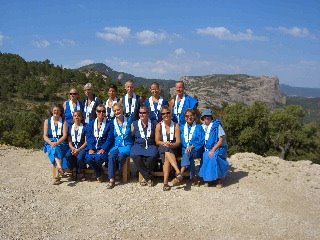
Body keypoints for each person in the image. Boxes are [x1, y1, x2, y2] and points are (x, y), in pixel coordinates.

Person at [198, 109, 228, 188]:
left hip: (219, 148)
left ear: (211, 118)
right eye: (205, 117)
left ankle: (219, 180)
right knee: (205, 155)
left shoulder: (217, 126)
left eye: (208, 117)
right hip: (208, 149)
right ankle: (208, 179)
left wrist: (213, 150)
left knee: (214, 156)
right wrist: (203, 121)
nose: (206, 118)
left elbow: (221, 140)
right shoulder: (204, 127)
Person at [155, 105, 182, 191]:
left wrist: (172, 145)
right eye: (163, 114)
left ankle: (165, 183)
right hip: (162, 146)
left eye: (167, 113)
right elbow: (157, 141)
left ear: (171, 114)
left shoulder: (176, 125)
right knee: (166, 149)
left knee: (167, 155)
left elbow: (178, 141)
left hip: (173, 148)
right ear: (161, 115)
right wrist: (165, 143)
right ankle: (177, 171)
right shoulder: (159, 125)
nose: (166, 115)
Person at [106, 103, 133, 189]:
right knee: (111, 156)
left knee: (121, 157)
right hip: (116, 146)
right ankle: (111, 179)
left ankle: (118, 171)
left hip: (126, 145)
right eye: (115, 111)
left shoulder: (129, 120)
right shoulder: (112, 123)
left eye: (118, 110)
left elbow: (133, 132)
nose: (117, 112)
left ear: (122, 109)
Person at [130, 106, 159, 187]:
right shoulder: (134, 123)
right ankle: (148, 177)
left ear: (148, 113)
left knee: (153, 156)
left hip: (150, 145)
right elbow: (130, 135)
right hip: (138, 145)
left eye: (144, 113)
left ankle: (145, 176)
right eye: (140, 113)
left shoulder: (154, 123)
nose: (142, 114)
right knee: (135, 155)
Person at [85, 104, 114, 182]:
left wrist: (103, 148)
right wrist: (90, 148)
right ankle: (99, 172)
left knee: (98, 158)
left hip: (102, 147)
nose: (101, 113)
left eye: (103, 111)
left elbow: (110, 138)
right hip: (93, 147)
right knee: (88, 158)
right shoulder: (90, 124)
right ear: (96, 112)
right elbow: (89, 136)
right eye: (99, 111)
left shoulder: (109, 124)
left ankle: (98, 173)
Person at [43, 103, 69, 185]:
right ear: (51, 111)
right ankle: (59, 169)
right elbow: (45, 135)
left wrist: (57, 142)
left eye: (58, 110)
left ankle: (57, 175)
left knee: (55, 148)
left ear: (61, 112)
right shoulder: (47, 121)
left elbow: (65, 135)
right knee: (55, 148)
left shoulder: (64, 122)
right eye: (54, 110)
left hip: (61, 142)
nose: (56, 112)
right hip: (50, 142)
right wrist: (51, 142)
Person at [178, 108, 204, 185]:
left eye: (191, 115)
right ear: (184, 117)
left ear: (194, 116)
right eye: (187, 116)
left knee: (188, 152)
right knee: (189, 156)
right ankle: (193, 178)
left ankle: (181, 173)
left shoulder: (199, 127)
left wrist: (193, 146)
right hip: (184, 150)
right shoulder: (181, 127)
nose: (189, 117)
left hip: (196, 150)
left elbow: (201, 141)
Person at [65, 111, 87, 180]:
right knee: (68, 155)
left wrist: (78, 150)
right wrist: (72, 148)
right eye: (75, 116)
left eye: (78, 115)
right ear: (73, 117)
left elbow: (86, 142)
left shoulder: (85, 127)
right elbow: (69, 141)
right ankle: (74, 169)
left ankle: (81, 171)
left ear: (81, 117)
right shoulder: (70, 127)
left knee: (80, 157)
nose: (76, 117)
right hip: (73, 147)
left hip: (82, 147)